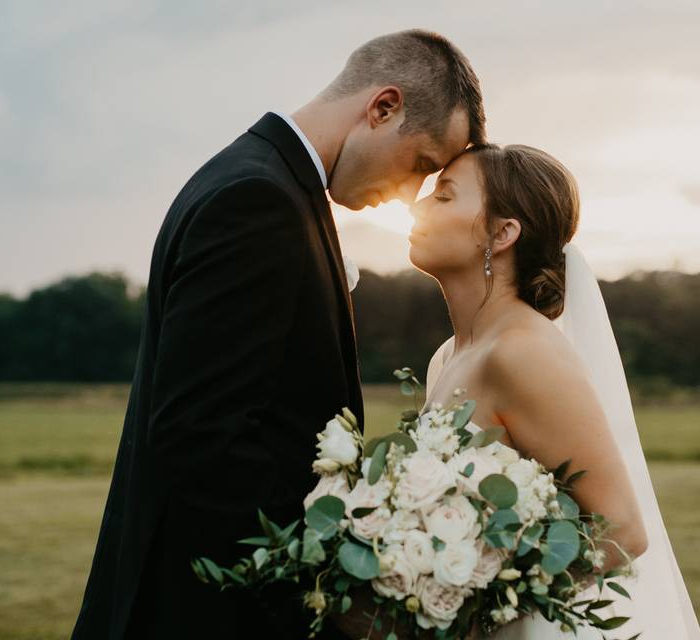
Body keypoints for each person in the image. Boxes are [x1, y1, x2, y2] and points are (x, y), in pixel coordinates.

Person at [72, 29, 485, 639]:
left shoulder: (262, 180)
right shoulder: (258, 201)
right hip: (205, 611)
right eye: (421, 164)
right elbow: (202, 442)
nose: (411, 193)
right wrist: (329, 586)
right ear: (383, 107)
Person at [411, 144, 700, 638]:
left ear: (502, 233)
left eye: (443, 196)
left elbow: (623, 530)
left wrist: (481, 601)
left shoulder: (522, 352)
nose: (418, 207)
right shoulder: (449, 355)